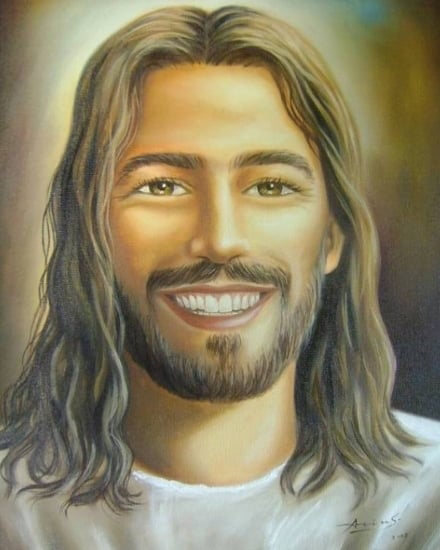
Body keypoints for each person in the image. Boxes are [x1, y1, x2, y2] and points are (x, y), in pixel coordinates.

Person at [0, 5, 439, 549]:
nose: (221, 239)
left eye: (270, 186)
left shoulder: (425, 505)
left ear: (333, 235)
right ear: (89, 230)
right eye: (162, 186)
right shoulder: (16, 516)